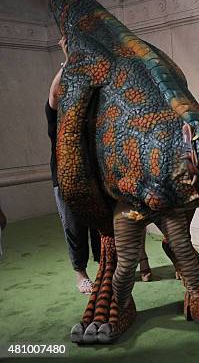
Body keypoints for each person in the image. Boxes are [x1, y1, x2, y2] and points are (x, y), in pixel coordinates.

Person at [46, 37, 153, 291]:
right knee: (74, 228)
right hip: (66, 180)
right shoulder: (56, 116)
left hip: (98, 178)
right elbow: (53, 92)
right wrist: (70, 58)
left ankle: (129, 262)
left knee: (116, 222)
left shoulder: (92, 117)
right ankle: (81, 276)